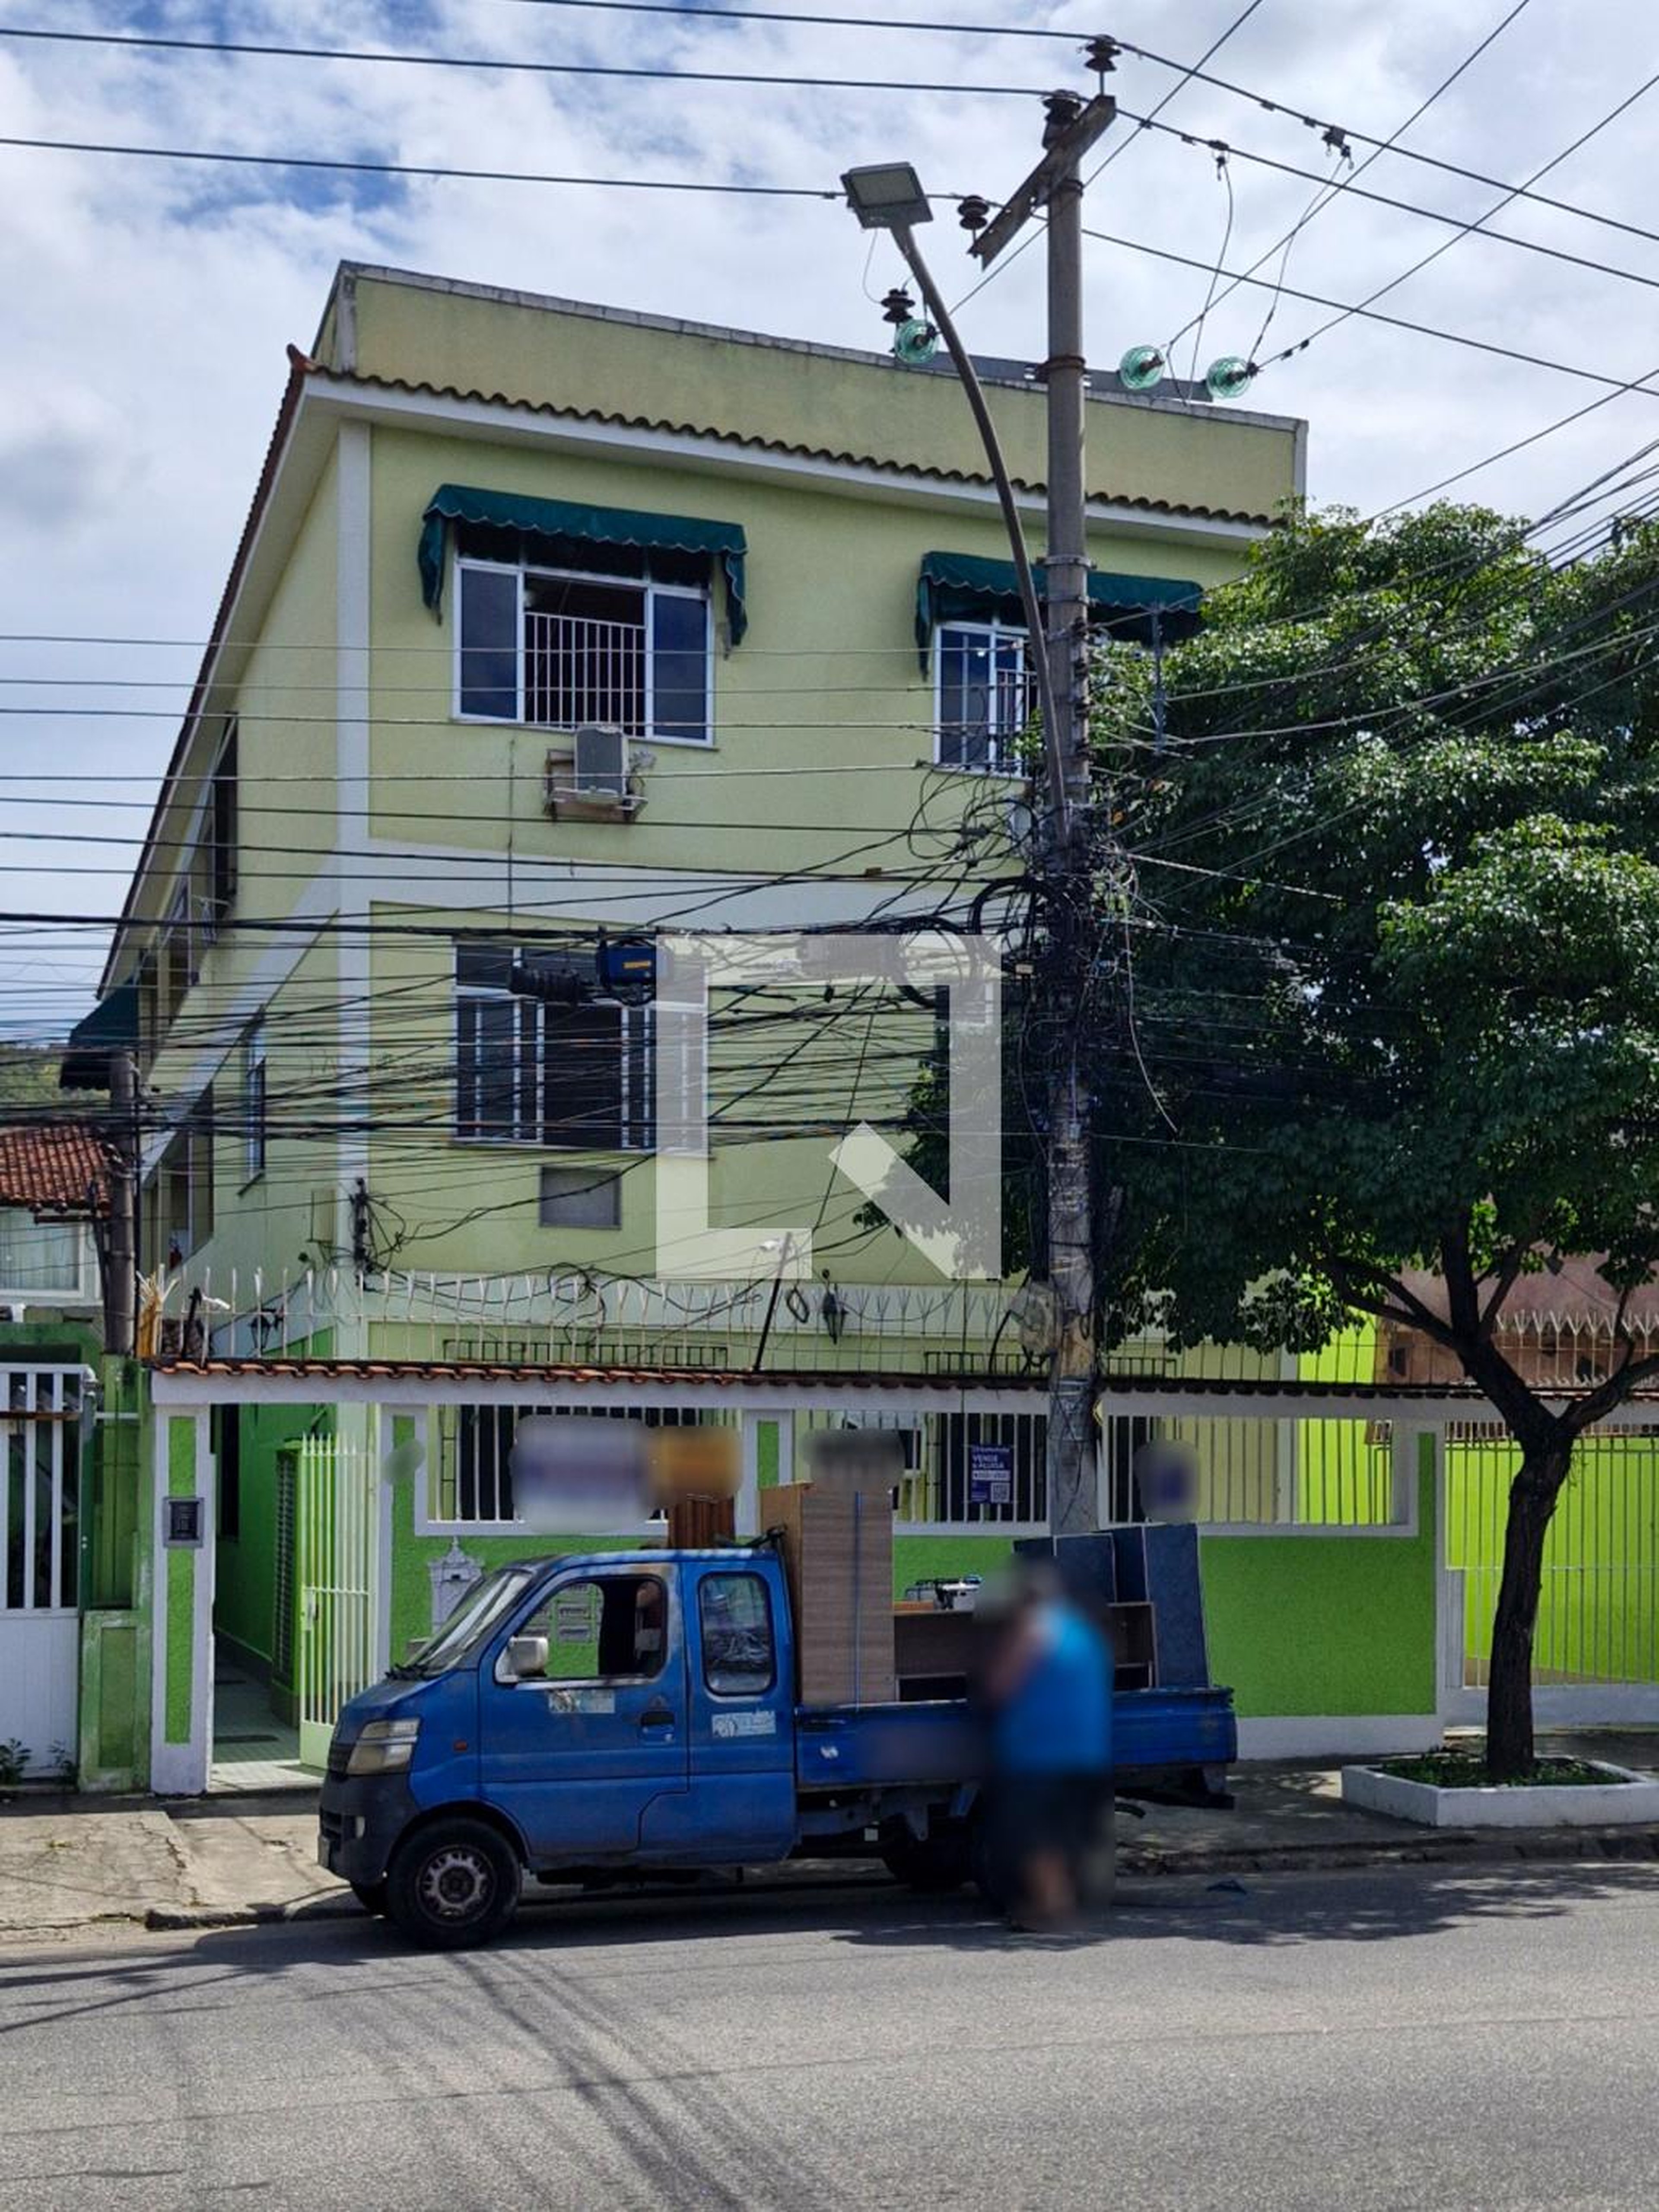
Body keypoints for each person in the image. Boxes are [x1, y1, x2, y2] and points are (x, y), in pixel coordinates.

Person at [976, 1562, 1114, 1932]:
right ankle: (1063, 1901)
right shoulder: (1083, 1629)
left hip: (1040, 1755)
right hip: (1087, 1752)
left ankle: (1051, 1907)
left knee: (1034, 1834)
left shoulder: (1035, 1630)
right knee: (1063, 1832)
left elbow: (1000, 1685)